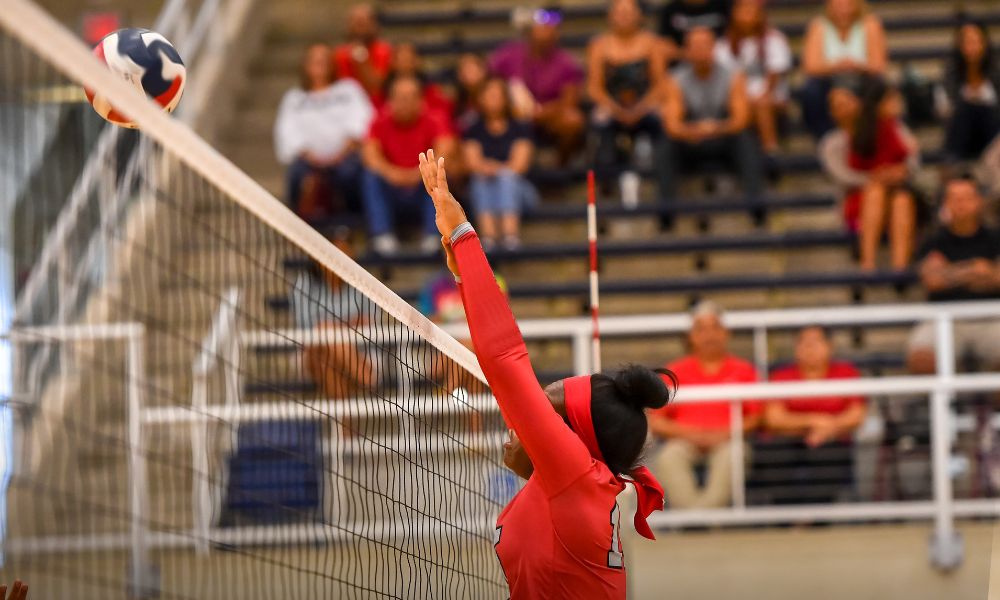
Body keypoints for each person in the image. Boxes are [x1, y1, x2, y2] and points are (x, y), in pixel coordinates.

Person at [419, 150, 674, 598]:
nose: (521, 419)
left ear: (569, 437)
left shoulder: (575, 476)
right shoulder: (575, 482)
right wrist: (465, 280)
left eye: (544, 409)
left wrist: (463, 232)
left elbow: (505, 360)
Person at [648, 301, 761, 509]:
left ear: (727, 333)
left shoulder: (744, 370)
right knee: (668, 457)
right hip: (683, 442)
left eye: (715, 328)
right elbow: (656, 421)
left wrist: (724, 433)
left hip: (728, 440)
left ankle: (700, 518)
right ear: (690, 336)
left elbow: (756, 417)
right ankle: (698, 518)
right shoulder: (674, 371)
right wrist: (690, 434)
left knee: (733, 455)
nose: (709, 335)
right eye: (701, 329)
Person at [658, 27, 764, 216]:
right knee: (666, 145)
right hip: (691, 141)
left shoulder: (734, 76)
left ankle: (757, 208)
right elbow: (672, 126)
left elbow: (741, 120)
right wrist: (696, 130)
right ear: (686, 50)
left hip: (723, 138)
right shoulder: (675, 79)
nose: (700, 50)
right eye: (695, 46)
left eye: (705, 45)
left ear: (714, 47)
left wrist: (714, 128)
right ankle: (666, 214)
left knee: (746, 140)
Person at [907, 175, 1000, 374]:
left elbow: (998, 278)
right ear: (945, 203)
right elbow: (933, 281)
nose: (961, 204)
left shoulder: (995, 238)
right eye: (954, 198)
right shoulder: (933, 241)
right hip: (944, 317)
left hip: (993, 316)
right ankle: (940, 405)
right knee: (922, 359)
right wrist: (974, 269)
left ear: (979, 201)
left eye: (967, 197)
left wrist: (950, 272)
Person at [762, 326, 866, 504]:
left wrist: (827, 429)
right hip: (788, 440)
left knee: (828, 456)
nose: (810, 348)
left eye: (816, 342)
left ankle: (817, 518)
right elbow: (773, 418)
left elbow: (856, 415)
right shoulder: (781, 376)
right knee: (776, 455)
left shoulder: (846, 373)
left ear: (830, 346)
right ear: (796, 348)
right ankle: (786, 516)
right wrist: (813, 422)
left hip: (831, 439)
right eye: (804, 343)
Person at [274, 43, 373, 220]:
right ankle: (299, 228)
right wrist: (310, 156)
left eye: (324, 60)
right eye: (314, 60)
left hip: (346, 157)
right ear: (305, 65)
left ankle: (352, 226)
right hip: (308, 161)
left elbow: (363, 122)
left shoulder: (349, 89)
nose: (319, 64)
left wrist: (341, 153)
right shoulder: (294, 98)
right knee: (297, 176)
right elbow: (287, 131)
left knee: (351, 174)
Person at [361, 75, 455, 254]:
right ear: (390, 101)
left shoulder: (434, 119)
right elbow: (369, 154)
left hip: (423, 189)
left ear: (421, 100)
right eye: (400, 97)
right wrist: (391, 173)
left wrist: (419, 173)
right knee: (371, 176)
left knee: (438, 172)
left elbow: (446, 150)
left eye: (411, 97)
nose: (406, 102)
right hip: (392, 188)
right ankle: (382, 235)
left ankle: (433, 234)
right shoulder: (379, 122)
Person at [587, 0, 666, 205]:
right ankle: (607, 176)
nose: (624, 16)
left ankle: (657, 171)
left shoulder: (652, 43)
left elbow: (660, 85)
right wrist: (617, 110)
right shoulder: (599, 45)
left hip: (645, 106)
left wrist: (639, 109)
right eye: (619, 12)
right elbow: (594, 88)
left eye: (628, 12)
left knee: (662, 118)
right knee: (600, 120)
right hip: (612, 108)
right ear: (610, 16)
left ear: (639, 15)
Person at [488, 7, 586, 164]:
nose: (545, 32)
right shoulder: (508, 54)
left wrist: (540, 113)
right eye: (542, 27)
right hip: (512, 114)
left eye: (550, 29)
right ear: (531, 31)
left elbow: (569, 102)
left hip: (548, 116)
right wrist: (509, 104)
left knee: (572, 120)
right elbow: (489, 81)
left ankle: (560, 166)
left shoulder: (567, 63)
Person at [289, 228, 375, 399]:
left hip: (359, 352)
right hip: (310, 352)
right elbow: (308, 330)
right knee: (325, 332)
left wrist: (334, 329)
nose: (340, 258)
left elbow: (367, 324)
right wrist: (345, 326)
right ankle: (365, 377)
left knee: (329, 361)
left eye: (344, 253)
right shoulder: (305, 283)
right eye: (335, 252)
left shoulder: (364, 283)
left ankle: (341, 426)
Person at [846, 77, 918, 271]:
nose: (896, 104)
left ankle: (900, 266)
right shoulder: (860, 131)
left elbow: (911, 162)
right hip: (864, 195)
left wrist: (897, 172)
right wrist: (875, 177)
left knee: (901, 201)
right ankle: (867, 263)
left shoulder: (898, 128)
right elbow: (849, 171)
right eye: (891, 100)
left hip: (898, 191)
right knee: (875, 193)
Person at [463, 78, 536, 250]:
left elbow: (520, 165)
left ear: (506, 99)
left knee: (506, 177)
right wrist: (488, 169)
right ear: (481, 99)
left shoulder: (520, 128)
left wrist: (493, 168)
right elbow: (472, 163)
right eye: (489, 96)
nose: (494, 100)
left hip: (521, 193)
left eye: (497, 96)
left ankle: (510, 235)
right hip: (486, 188)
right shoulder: (474, 130)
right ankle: (489, 237)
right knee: (480, 178)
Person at [800, 0, 887, 139]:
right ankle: (825, 136)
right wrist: (836, 66)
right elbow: (811, 66)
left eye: (848, 4)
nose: (843, 9)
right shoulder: (818, 26)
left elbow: (878, 65)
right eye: (839, 4)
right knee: (811, 90)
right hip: (829, 80)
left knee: (878, 85)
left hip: (861, 79)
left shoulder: (870, 24)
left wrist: (856, 66)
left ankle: (869, 135)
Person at [714, 0, 792, 156]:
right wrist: (742, 100)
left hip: (771, 99)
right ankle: (759, 154)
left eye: (751, 11)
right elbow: (725, 81)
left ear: (760, 15)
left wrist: (760, 97)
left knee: (761, 105)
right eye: (742, 11)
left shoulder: (775, 40)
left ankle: (770, 153)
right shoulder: (722, 45)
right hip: (737, 100)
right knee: (742, 110)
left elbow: (775, 75)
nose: (746, 16)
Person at [939, 20, 1000, 164]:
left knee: (985, 111)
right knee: (966, 110)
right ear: (959, 45)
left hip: (992, 132)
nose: (972, 47)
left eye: (976, 41)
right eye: (967, 42)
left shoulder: (996, 71)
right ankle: (953, 166)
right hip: (963, 133)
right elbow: (946, 107)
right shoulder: (951, 73)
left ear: (985, 43)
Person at [377, 41, 454, 119]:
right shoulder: (381, 93)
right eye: (401, 59)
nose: (405, 64)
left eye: (408, 59)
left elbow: (444, 112)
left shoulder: (431, 91)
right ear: (392, 62)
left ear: (417, 61)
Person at [332, 3, 393, 99]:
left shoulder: (384, 50)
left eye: (363, 22)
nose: (360, 28)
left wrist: (361, 57)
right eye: (356, 22)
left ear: (373, 24)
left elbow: (375, 86)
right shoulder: (339, 53)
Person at [658, 0, 731, 55]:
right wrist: (692, 53)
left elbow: (732, 33)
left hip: (718, 55)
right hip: (683, 59)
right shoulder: (670, 10)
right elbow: (664, 44)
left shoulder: (722, 5)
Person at [450, 53, 489, 134]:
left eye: (471, 69)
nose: (468, 74)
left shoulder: (496, 96)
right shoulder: (456, 103)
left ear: (483, 71)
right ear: (459, 75)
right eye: (464, 69)